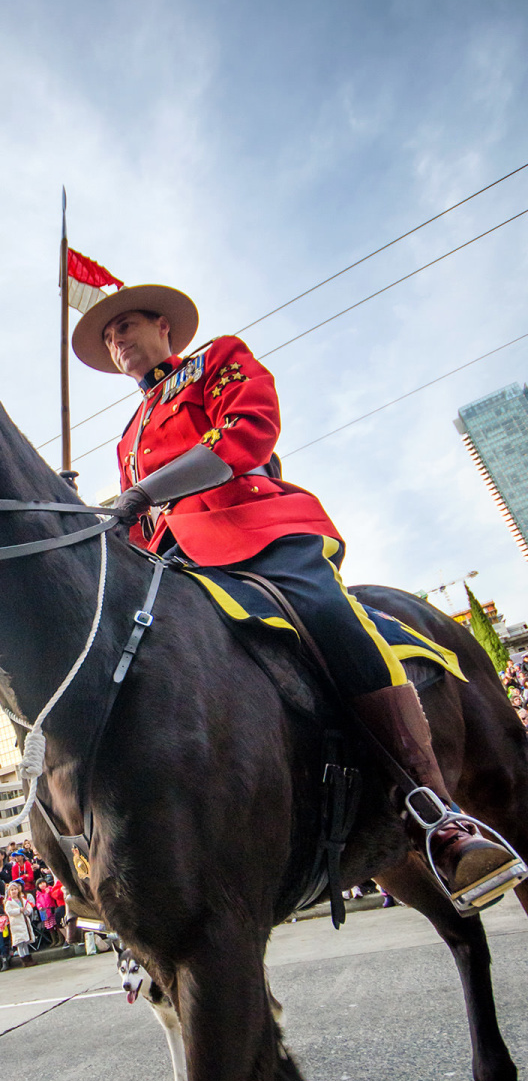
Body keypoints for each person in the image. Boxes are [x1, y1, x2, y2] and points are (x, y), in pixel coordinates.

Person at [70, 283, 526, 913]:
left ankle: (435, 812)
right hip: (170, 562)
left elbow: (245, 436)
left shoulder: (217, 360)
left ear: (162, 325)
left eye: (124, 326)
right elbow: (140, 521)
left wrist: (144, 493)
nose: (116, 342)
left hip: (253, 528)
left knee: (324, 611)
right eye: (108, 338)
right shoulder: (128, 435)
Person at [4, 881, 35, 967]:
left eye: (15, 889)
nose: (13, 891)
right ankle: (24, 960)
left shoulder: (22, 899)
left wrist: (27, 911)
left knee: (25, 942)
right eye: (11, 890)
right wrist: (18, 910)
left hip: (24, 923)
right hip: (16, 924)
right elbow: (9, 912)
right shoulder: (9, 902)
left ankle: (29, 958)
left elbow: (29, 906)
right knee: (20, 943)